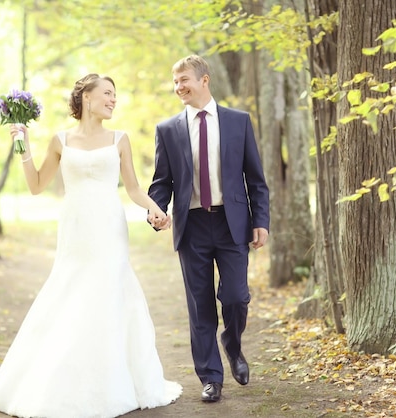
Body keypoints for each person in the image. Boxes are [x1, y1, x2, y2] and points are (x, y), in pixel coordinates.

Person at [0, 74, 182, 417]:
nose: (112, 100)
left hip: (108, 225)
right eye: (107, 93)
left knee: (108, 292)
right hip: (76, 227)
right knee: (71, 291)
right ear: (86, 98)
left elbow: (134, 189)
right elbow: (36, 185)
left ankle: (112, 381)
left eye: (114, 95)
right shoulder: (60, 140)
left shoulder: (120, 139)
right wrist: (23, 147)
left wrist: (156, 210)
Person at [148, 55, 270, 403]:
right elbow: (162, 182)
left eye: (184, 80)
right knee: (200, 306)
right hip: (192, 226)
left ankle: (232, 344)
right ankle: (211, 377)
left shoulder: (238, 121)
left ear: (205, 80)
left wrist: (260, 220)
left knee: (235, 296)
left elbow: (256, 180)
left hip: (233, 224)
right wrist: (156, 211)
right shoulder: (168, 129)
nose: (179, 87)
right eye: (175, 82)